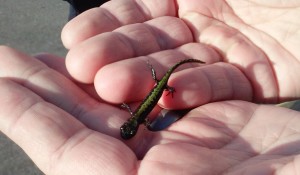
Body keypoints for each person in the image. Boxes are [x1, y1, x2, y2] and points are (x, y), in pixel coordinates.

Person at [1, 0, 300, 174]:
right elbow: (137, 109)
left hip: (161, 87)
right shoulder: (136, 117)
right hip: (159, 86)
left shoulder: (141, 119)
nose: (128, 129)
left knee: (160, 86)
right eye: (128, 130)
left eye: (128, 129)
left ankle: (172, 74)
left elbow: (141, 110)